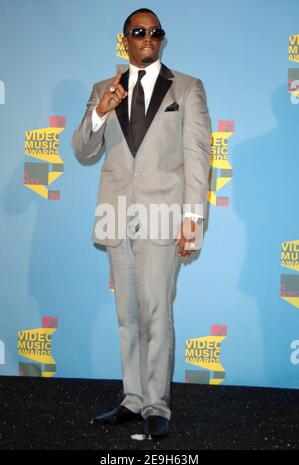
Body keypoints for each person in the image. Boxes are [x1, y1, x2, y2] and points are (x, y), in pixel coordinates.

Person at [72, 8, 211, 439]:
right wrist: (99, 112)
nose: (148, 37)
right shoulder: (102, 89)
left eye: (155, 32)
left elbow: (198, 159)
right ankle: (133, 399)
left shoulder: (187, 89)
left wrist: (193, 220)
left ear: (161, 39)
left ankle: (157, 405)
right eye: (139, 32)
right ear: (125, 39)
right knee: (127, 314)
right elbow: (82, 149)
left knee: (155, 310)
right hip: (118, 215)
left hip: (163, 217)